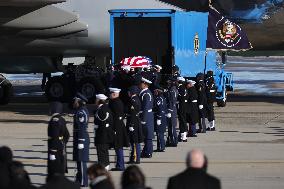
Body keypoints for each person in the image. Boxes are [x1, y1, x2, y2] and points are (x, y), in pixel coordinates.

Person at [108, 87, 130, 171]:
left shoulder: (115, 103)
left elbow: (116, 117)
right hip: (119, 127)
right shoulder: (117, 101)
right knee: (118, 147)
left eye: (110, 93)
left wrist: (114, 130)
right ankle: (119, 164)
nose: (109, 95)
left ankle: (120, 165)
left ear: (113, 94)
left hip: (117, 128)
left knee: (118, 147)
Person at [47, 101, 70, 180]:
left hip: (54, 146)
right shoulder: (62, 119)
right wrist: (63, 142)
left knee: (54, 166)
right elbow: (67, 135)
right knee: (61, 163)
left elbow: (54, 135)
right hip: (60, 145)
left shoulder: (54, 120)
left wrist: (53, 150)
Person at [72, 93, 90, 187]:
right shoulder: (79, 110)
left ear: (79, 101)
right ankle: (79, 179)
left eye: (75, 101)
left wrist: (81, 141)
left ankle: (83, 181)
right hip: (79, 137)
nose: (74, 102)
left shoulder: (81, 112)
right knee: (79, 160)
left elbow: (82, 127)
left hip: (81, 138)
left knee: (82, 160)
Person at [94, 94, 114, 171]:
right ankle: (106, 165)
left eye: (96, 99)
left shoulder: (102, 110)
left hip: (102, 135)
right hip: (106, 134)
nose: (95, 101)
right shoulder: (106, 108)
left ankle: (103, 166)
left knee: (101, 152)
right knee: (104, 151)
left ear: (99, 100)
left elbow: (101, 123)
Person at [126, 86, 144, 164]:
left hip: (134, 122)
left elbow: (133, 113)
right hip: (135, 121)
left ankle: (135, 158)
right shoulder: (135, 99)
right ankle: (134, 157)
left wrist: (131, 124)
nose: (128, 93)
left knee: (134, 141)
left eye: (129, 91)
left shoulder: (133, 100)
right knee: (133, 141)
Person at [139, 77, 154, 158]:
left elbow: (145, 107)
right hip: (145, 114)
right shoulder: (144, 92)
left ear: (145, 84)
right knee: (146, 135)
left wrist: (143, 119)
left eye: (141, 83)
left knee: (148, 135)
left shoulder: (146, 94)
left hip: (147, 115)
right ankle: (146, 151)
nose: (140, 84)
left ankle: (148, 152)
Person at [153, 86, 167, 152]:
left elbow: (160, 109)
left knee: (160, 133)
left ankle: (162, 147)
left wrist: (159, 118)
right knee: (159, 133)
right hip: (162, 116)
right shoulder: (162, 98)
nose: (154, 92)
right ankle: (160, 147)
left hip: (160, 117)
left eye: (155, 91)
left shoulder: (159, 99)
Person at [165, 78, 178, 147]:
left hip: (172, 110)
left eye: (169, 81)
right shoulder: (171, 89)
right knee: (170, 126)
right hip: (171, 109)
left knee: (172, 126)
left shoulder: (172, 90)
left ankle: (174, 141)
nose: (168, 82)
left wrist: (170, 110)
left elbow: (172, 101)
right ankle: (171, 140)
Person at [177, 77, 189, 142]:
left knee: (182, 120)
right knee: (183, 120)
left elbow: (180, 97)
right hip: (184, 105)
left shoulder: (180, 88)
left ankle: (183, 136)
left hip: (181, 105)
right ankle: (183, 136)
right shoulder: (184, 88)